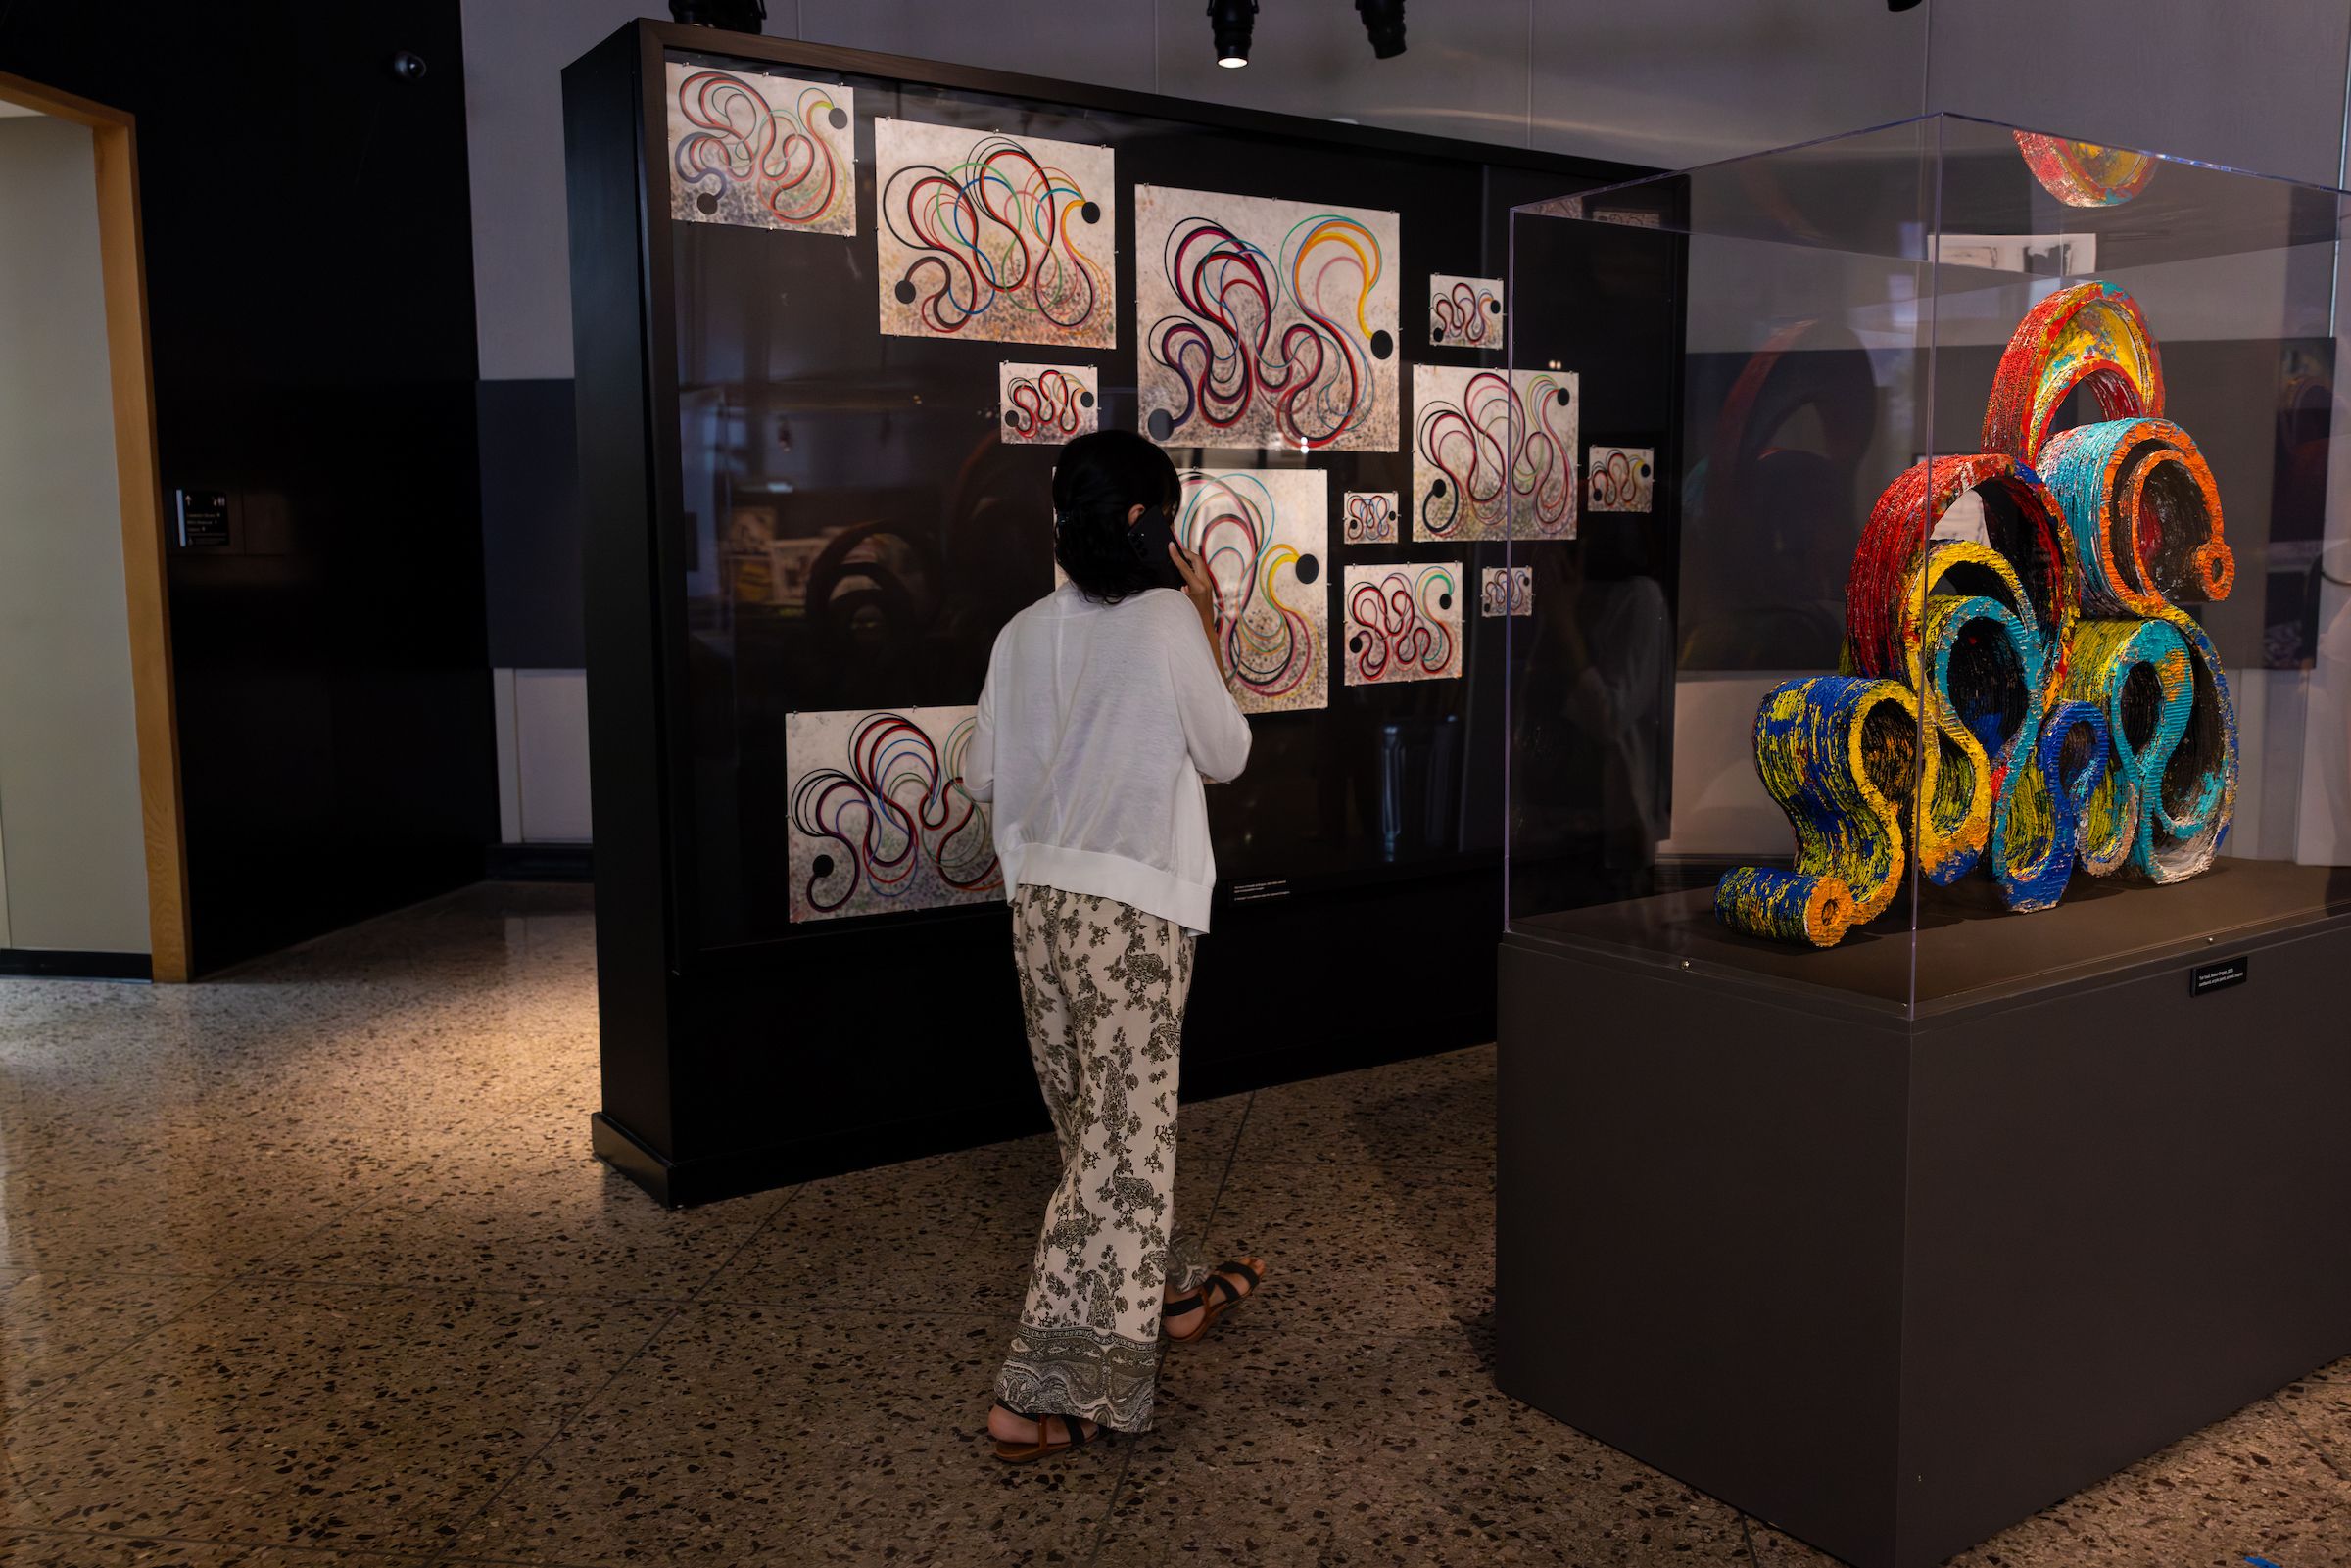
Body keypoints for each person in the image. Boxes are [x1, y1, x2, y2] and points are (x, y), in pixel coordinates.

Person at [963, 429, 1270, 1462]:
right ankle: (1034, 1389)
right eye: (1168, 518)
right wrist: (1209, 624)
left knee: (1093, 1126)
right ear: (1142, 523)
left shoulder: (1017, 634)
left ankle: (1174, 1290)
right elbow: (1228, 752)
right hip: (1131, 914)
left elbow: (984, 784)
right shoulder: (1165, 624)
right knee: (1119, 1151)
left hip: (1039, 909)